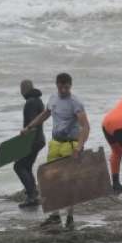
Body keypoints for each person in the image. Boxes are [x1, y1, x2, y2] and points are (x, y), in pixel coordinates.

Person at [22, 72, 90, 229]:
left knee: (68, 182)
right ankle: (55, 216)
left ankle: (70, 217)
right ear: (57, 85)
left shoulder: (76, 103)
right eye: (61, 87)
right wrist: (29, 127)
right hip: (55, 143)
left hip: (70, 144)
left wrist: (79, 147)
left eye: (66, 87)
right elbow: (45, 115)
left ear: (70, 86)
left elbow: (85, 126)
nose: (64, 90)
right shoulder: (53, 99)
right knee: (51, 180)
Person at [15, 79, 45, 208]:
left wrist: (24, 139)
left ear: (23, 90)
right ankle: (33, 194)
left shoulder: (30, 102)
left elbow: (33, 124)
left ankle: (32, 196)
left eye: (21, 89)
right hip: (39, 139)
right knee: (26, 167)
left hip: (32, 140)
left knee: (19, 166)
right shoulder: (38, 100)